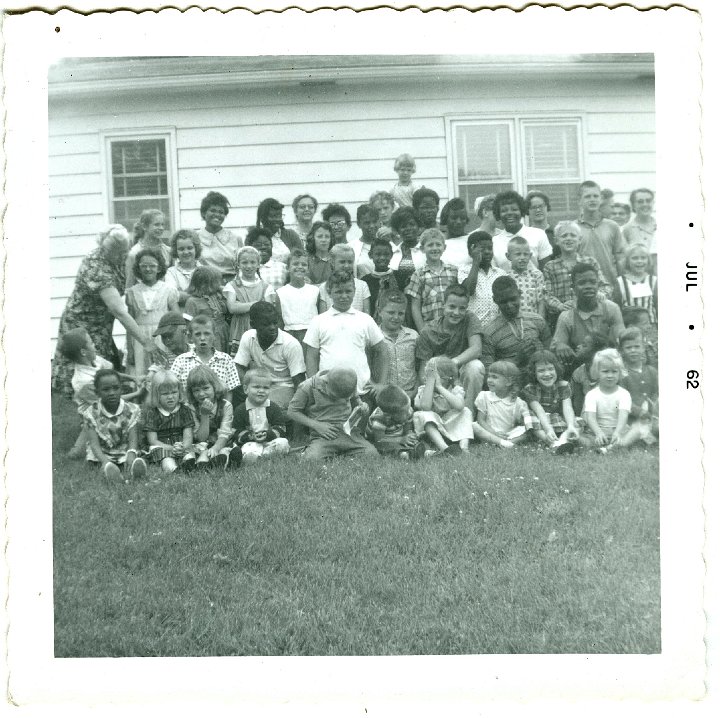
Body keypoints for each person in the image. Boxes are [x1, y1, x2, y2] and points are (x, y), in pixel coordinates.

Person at [52, 224, 159, 398]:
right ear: (104, 247)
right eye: (116, 252)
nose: (121, 256)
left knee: (104, 369)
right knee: (88, 373)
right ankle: (92, 413)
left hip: (102, 323)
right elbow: (119, 311)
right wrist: (145, 341)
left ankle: (106, 406)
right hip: (82, 324)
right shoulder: (96, 267)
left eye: (124, 251)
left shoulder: (120, 257)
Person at [304, 271, 389, 399]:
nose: (344, 296)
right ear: (329, 292)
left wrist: (381, 384)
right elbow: (311, 356)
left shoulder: (365, 319)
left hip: (361, 391)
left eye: (348, 291)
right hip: (328, 392)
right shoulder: (318, 321)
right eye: (338, 292)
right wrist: (314, 386)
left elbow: (383, 351)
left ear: (354, 291)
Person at [58, 328, 136, 458]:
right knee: (77, 454)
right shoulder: (82, 381)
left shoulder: (96, 360)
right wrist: (137, 394)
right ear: (83, 352)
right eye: (91, 343)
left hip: (108, 407)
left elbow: (112, 375)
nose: (94, 345)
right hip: (94, 416)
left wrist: (134, 378)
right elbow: (111, 400)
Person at [415, 283, 486, 411]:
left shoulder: (470, 319)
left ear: (467, 308)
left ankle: (468, 414)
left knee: (475, 367)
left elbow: (476, 349)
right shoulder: (428, 331)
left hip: (461, 372)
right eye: (452, 307)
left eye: (462, 308)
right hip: (439, 379)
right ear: (443, 305)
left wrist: (452, 362)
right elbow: (422, 372)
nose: (456, 313)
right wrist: (435, 384)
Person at [286, 367, 378, 461]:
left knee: (371, 454)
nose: (341, 400)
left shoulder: (348, 381)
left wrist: (362, 405)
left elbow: (355, 399)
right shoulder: (307, 386)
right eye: (335, 397)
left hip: (349, 434)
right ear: (326, 382)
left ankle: (336, 453)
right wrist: (317, 425)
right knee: (312, 458)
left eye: (345, 398)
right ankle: (306, 451)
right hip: (324, 435)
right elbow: (292, 412)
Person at [551, 263, 625, 371]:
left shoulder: (611, 308)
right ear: (573, 287)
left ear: (598, 285)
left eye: (592, 282)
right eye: (581, 283)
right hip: (582, 366)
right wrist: (560, 346)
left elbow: (621, 339)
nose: (588, 286)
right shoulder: (566, 316)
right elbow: (558, 345)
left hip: (610, 364)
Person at [234, 301, 306, 410]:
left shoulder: (291, 344)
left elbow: (299, 382)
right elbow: (239, 367)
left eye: (274, 322)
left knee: (262, 406)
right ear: (253, 324)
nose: (272, 327)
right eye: (266, 324)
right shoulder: (248, 337)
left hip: (284, 387)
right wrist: (249, 388)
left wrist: (296, 407)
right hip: (259, 385)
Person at [542, 220, 611, 332]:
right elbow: (546, 295)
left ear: (579, 240)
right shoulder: (550, 266)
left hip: (589, 316)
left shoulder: (590, 262)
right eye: (564, 236)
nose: (568, 238)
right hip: (561, 318)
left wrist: (601, 293)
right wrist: (560, 306)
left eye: (573, 235)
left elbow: (606, 286)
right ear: (556, 241)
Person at [81, 369, 147, 481]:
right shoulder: (91, 413)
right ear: (97, 392)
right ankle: (111, 471)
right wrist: (104, 461)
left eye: (116, 388)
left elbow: (132, 439)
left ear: (121, 389)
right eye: (106, 389)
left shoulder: (132, 410)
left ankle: (135, 471)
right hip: (103, 452)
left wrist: (131, 454)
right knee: (100, 463)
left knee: (133, 458)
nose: (112, 393)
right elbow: (94, 444)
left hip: (124, 449)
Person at [125, 248, 180, 377]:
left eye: (152, 266)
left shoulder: (168, 290)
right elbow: (129, 324)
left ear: (159, 268)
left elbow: (177, 319)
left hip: (163, 337)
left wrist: (176, 343)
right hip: (140, 339)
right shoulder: (132, 292)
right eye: (144, 266)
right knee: (143, 375)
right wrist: (130, 348)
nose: (148, 269)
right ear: (138, 268)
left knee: (165, 373)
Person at [480, 276, 550, 374]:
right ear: (495, 300)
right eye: (503, 302)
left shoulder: (537, 321)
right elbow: (489, 373)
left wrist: (540, 351)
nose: (509, 305)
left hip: (539, 380)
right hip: (508, 384)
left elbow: (551, 357)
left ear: (520, 294)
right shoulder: (489, 332)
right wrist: (517, 360)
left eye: (513, 299)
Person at [579, 348, 639, 451]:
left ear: (620, 373)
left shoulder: (624, 394)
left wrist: (617, 433)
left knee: (637, 430)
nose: (610, 375)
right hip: (597, 431)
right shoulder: (592, 394)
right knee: (579, 436)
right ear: (597, 372)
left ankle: (609, 447)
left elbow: (623, 416)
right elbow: (591, 418)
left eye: (614, 371)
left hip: (619, 431)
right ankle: (609, 446)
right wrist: (598, 433)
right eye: (605, 371)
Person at [413, 357, 473, 456]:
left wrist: (440, 387)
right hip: (432, 431)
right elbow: (425, 407)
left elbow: (459, 406)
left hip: (451, 428)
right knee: (424, 414)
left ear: (448, 378)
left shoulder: (455, 390)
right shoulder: (424, 390)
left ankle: (464, 447)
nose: (427, 378)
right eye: (427, 375)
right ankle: (445, 448)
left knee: (465, 411)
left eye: (433, 376)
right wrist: (431, 383)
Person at [522, 349, 580, 452]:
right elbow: (539, 411)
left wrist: (570, 425)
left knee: (578, 422)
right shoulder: (530, 389)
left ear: (556, 369)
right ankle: (552, 443)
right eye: (541, 371)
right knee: (528, 416)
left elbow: (567, 407)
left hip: (557, 419)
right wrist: (548, 429)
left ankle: (564, 440)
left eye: (550, 369)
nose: (547, 374)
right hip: (541, 422)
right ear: (534, 373)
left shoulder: (563, 385)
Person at [230, 367, 290, 465]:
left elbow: (281, 428)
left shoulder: (273, 407)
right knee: (249, 449)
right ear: (246, 389)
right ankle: (255, 457)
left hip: (270, 441)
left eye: (265, 388)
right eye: (256, 387)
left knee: (283, 443)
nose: (261, 390)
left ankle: (264, 456)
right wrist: (251, 436)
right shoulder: (240, 410)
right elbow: (236, 431)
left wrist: (268, 435)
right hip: (251, 442)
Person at [223, 245, 275, 355]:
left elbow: (267, 311)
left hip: (260, 329)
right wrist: (257, 303)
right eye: (244, 263)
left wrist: (242, 305)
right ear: (238, 265)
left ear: (258, 264)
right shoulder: (232, 285)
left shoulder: (266, 287)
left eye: (252, 262)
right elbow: (232, 308)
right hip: (239, 328)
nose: (249, 266)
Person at [170, 314, 240, 394]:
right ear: (191, 337)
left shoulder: (226, 360)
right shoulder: (180, 361)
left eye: (207, 334)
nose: (202, 338)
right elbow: (173, 389)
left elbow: (229, 393)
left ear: (214, 336)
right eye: (197, 334)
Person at [405, 228, 458, 331]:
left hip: (453, 327)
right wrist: (423, 331)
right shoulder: (418, 274)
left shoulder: (453, 271)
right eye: (430, 245)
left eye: (438, 244)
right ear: (422, 249)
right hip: (431, 328)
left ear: (444, 247)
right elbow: (415, 307)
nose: (434, 248)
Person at [472, 361, 534, 449]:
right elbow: (481, 420)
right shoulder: (484, 396)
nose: (489, 380)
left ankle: (508, 442)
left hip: (508, 435)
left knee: (527, 429)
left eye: (494, 377)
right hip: (488, 434)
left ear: (508, 382)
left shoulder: (518, 402)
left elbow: (522, 423)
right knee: (474, 426)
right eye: (489, 376)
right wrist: (494, 433)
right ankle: (503, 443)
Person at [143, 369, 196, 472]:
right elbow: (152, 440)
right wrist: (171, 448)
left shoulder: (185, 410)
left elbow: (188, 437)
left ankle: (189, 465)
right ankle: (173, 470)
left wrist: (183, 447)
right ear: (156, 395)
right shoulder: (153, 413)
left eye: (174, 392)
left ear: (179, 392)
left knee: (189, 453)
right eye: (165, 394)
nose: (171, 397)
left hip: (182, 445)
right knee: (166, 458)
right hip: (162, 446)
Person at [576, 180, 627, 284]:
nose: (592, 200)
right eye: (587, 196)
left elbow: (620, 259)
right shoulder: (574, 228)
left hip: (611, 284)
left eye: (595, 196)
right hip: (585, 286)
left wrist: (623, 284)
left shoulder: (612, 226)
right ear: (579, 201)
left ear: (601, 199)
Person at [186, 364, 234, 470]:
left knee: (224, 450)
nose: (201, 394)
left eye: (206, 388)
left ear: (215, 386)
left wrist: (216, 448)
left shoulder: (226, 405)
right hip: (201, 444)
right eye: (196, 390)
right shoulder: (191, 408)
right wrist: (204, 415)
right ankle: (204, 464)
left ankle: (222, 459)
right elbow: (201, 437)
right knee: (201, 451)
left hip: (221, 442)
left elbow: (225, 433)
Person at [492, 191, 554, 271]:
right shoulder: (494, 242)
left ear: (521, 211)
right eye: (504, 210)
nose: (510, 213)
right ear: (498, 214)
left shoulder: (538, 234)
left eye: (514, 209)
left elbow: (546, 270)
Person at [618, 327, 659, 445]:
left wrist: (655, 409)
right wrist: (639, 411)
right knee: (637, 430)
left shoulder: (651, 371)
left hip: (653, 417)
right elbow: (622, 400)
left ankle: (650, 436)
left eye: (637, 347)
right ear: (621, 351)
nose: (633, 350)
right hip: (632, 419)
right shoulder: (622, 374)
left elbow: (657, 393)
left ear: (643, 348)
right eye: (628, 348)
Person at [458, 231, 507, 329]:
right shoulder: (464, 270)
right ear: (471, 251)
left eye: (490, 248)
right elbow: (468, 291)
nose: (487, 252)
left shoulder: (501, 273)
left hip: (497, 328)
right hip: (474, 329)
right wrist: (476, 262)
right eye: (482, 249)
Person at [377, 291, 419, 400]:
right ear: (379, 311)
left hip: (409, 394)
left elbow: (420, 366)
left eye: (400, 313)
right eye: (391, 312)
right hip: (383, 396)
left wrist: (415, 391)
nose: (396, 317)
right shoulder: (373, 337)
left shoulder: (413, 336)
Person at [275, 249, 320, 348]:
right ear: (288, 268)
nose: (300, 267)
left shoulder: (315, 291)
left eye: (304, 265)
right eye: (295, 264)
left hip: (311, 336)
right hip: (289, 336)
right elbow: (280, 321)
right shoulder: (281, 293)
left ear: (308, 268)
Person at [366, 384, 423, 459]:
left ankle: (421, 450)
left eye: (409, 408)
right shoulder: (379, 420)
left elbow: (407, 429)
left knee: (415, 441)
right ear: (389, 416)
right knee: (386, 447)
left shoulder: (407, 411)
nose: (409, 412)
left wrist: (409, 435)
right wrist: (400, 440)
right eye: (405, 412)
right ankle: (403, 454)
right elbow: (379, 441)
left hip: (398, 437)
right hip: (382, 440)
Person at [196, 191, 243, 283]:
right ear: (203, 213)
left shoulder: (235, 238)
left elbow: (242, 266)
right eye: (212, 210)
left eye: (221, 212)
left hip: (232, 284)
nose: (217, 215)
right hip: (205, 284)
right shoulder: (195, 238)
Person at [185, 266, 230, 354]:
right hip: (207, 333)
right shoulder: (192, 301)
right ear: (204, 284)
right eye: (215, 282)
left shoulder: (217, 295)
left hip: (224, 331)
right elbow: (189, 324)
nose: (218, 284)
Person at [612, 243, 658, 325]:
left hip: (650, 326)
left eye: (643, 258)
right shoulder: (620, 282)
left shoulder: (653, 281)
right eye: (635, 258)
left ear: (648, 260)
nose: (639, 261)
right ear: (627, 261)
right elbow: (616, 307)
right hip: (629, 327)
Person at [318, 245, 371, 314]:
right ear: (332, 262)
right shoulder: (324, 287)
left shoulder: (362, 285)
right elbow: (323, 316)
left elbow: (366, 315)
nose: (346, 265)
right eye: (342, 262)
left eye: (350, 262)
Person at [126, 209, 171, 288]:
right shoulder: (134, 253)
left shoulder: (168, 251)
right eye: (156, 225)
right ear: (144, 226)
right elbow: (129, 284)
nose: (161, 228)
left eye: (162, 224)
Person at [570, 331, 611, 417]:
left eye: (584, 345)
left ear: (597, 352)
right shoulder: (578, 373)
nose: (578, 347)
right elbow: (578, 403)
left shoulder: (609, 372)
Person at [504, 236, 546, 318]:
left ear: (530, 255)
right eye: (518, 254)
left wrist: (540, 322)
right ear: (508, 256)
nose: (522, 258)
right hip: (513, 321)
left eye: (525, 254)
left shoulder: (537, 275)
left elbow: (541, 302)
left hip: (533, 321)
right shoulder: (505, 277)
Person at [255, 197, 303, 265]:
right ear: (263, 218)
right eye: (273, 216)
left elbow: (301, 260)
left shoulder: (290, 235)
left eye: (279, 216)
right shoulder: (254, 237)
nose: (277, 219)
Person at [388, 206, 426, 291]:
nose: (408, 229)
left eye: (412, 224)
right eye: (403, 226)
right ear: (398, 230)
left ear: (418, 226)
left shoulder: (426, 251)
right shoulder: (392, 253)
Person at [359, 239, 400, 318]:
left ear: (391, 255)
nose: (382, 258)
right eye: (378, 254)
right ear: (370, 255)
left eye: (386, 254)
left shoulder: (400, 276)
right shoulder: (365, 281)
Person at [622, 189, 657, 272]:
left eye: (648, 201)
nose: (645, 204)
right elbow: (624, 260)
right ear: (633, 205)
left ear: (653, 203)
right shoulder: (626, 229)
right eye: (640, 201)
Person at [245, 226, 288, 292]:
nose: (263, 247)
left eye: (266, 244)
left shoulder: (283, 267)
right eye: (258, 245)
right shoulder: (245, 269)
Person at [165, 229, 201, 306]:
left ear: (196, 249)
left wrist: (182, 294)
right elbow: (171, 295)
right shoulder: (171, 272)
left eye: (190, 248)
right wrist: (198, 296)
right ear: (175, 251)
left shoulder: (204, 270)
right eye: (181, 249)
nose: (186, 252)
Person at [439, 198, 472, 270]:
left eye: (462, 218)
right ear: (445, 219)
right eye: (454, 218)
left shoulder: (472, 241)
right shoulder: (438, 243)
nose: (458, 222)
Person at [350, 204, 381, 278]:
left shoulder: (387, 244)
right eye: (367, 223)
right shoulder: (351, 247)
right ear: (359, 224)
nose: (372, 226)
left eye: (374, 222)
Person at [525, 190, 558, 258]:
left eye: (541, 206)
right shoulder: (525, 235)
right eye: (534, 207)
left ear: (547, 207)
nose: (538, 210)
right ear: (528, 210)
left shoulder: (557, 233)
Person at [305, 220, 335, 286]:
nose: (324, 240)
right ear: (312, 238)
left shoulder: (335, 259)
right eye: (320, 236)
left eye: (327, 236)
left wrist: (313, 285)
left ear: (331, 239)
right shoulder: (306, 259)